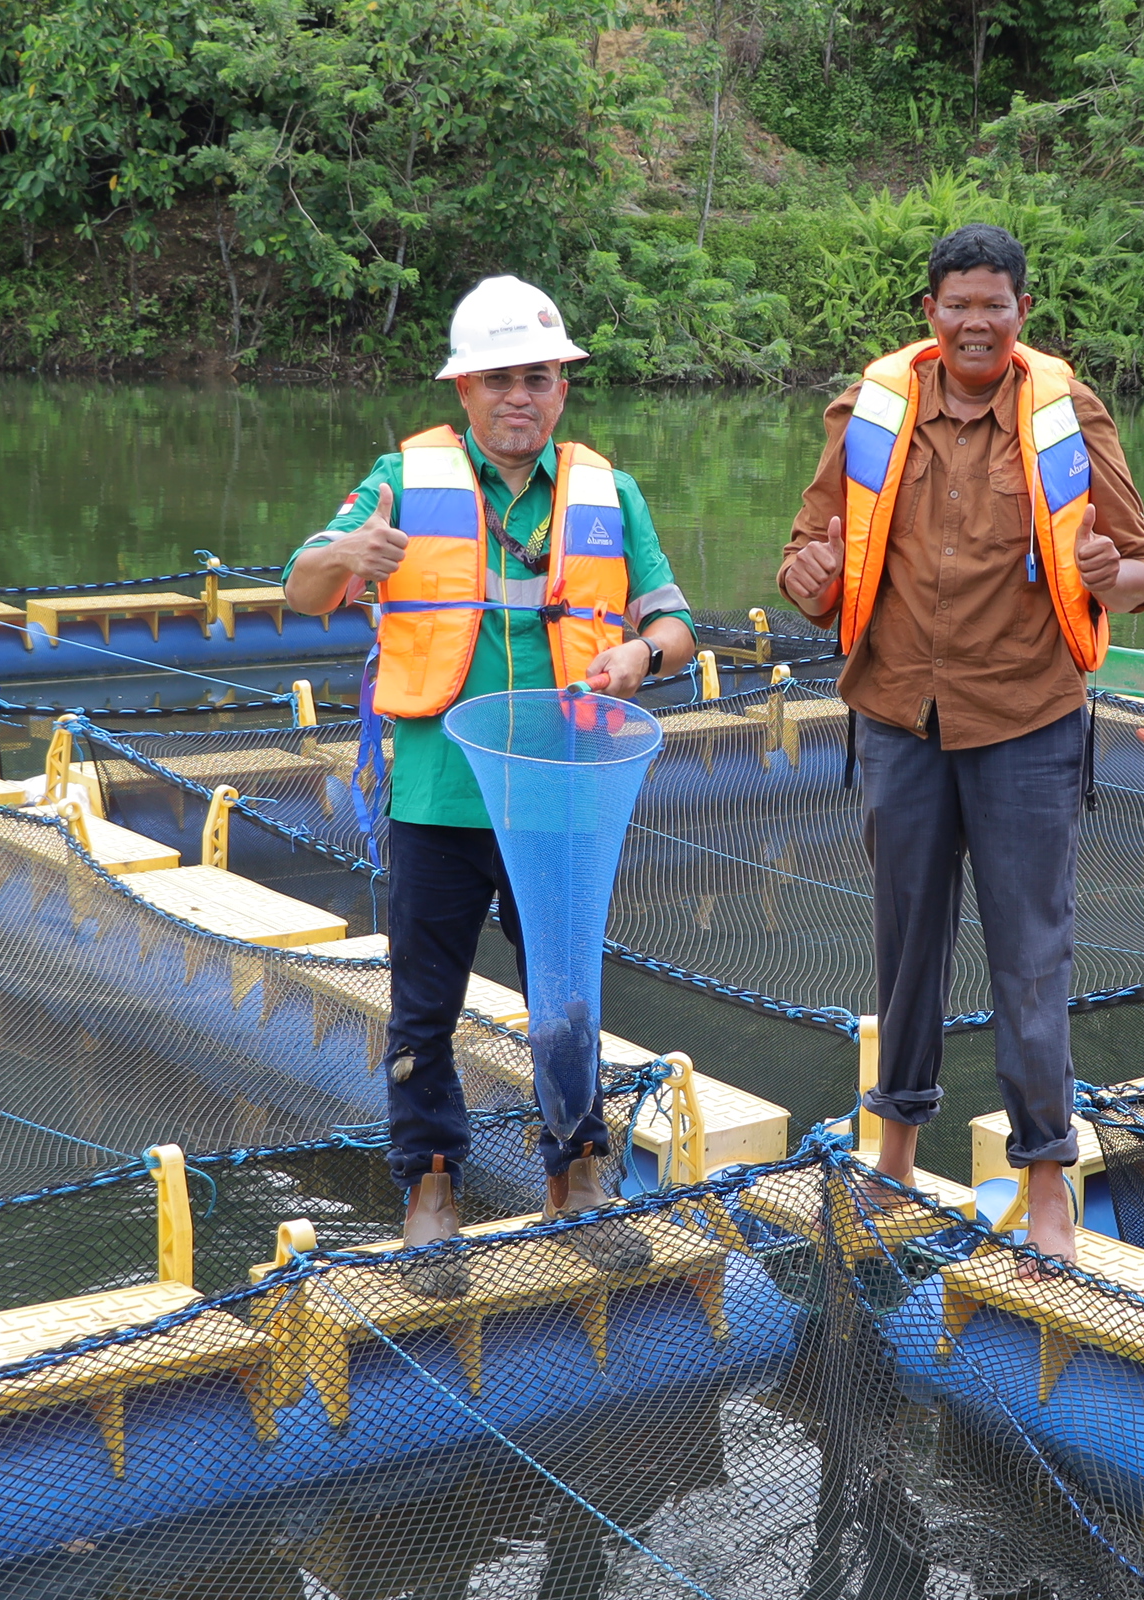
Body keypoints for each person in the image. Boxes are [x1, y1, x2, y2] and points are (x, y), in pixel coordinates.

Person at [283, 275, 699, 1297]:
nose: (524, 396)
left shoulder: (608, 490)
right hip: (438, 792)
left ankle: (576, 1174)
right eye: (502, 378)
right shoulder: (401, 478)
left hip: (560, 794)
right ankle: (431, 1190)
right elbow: (299, 587)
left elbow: (676, 626)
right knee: (424, 1006)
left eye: (542, 378)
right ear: (464, 389)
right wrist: (345, 554)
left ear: (563, 389)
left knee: (568, 997)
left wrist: (640, 660)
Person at [777, 224, 1144, 1273]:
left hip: (1029, 720)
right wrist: (805, 576)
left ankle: (1047, 1184)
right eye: (958, 305)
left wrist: (1105, 570)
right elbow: (809, 547)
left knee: (1032, 957)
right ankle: (892, 1157)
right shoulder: (872, 411)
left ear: (1022, 314)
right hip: (900, 717)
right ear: (931, 315)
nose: (976, 322)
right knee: (905, 947)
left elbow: (1142, 571)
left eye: (995, 305)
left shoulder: (1069, 415)